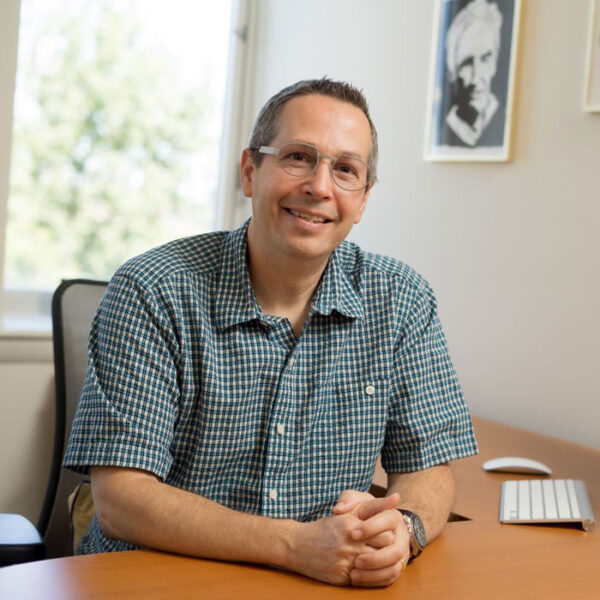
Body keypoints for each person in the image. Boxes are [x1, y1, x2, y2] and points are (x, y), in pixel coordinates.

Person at [64, 77, 478, 588]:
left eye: (346, 170)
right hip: (154, 578)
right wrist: (296, 545)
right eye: (299, 157)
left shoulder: (401, 299)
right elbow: (121, 500)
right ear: (249, 171)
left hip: (314, 582)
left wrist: (404, 530)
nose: (320, 187)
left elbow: (428, 467)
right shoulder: (153, 289)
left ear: (364, 198)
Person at [443, 0, 504, 147]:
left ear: (495, 63)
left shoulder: (502, 119)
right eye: (466, 64)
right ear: (452, 71)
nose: (476, 78)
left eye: (485, 59)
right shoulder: (445, 133)